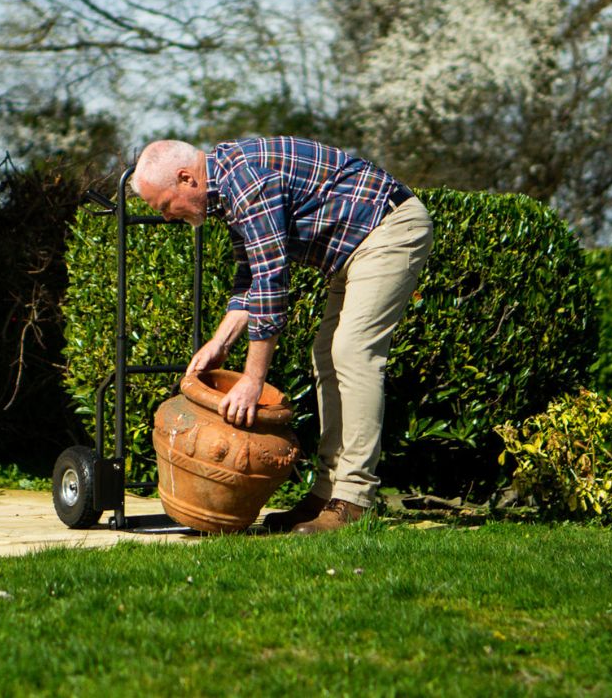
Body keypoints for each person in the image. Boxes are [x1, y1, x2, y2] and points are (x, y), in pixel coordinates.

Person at [131, 137, 433, 533]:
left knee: (353, 353)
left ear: (186, 178)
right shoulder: (225, 189)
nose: (169, 217)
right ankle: (326, 494)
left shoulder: (245, 181)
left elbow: (273, 283)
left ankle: (354, 499)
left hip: (389, 229)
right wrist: (219, 344)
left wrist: (253, 381)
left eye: (165, 206)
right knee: (326, 356)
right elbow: (251, 279)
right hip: (355, 248)